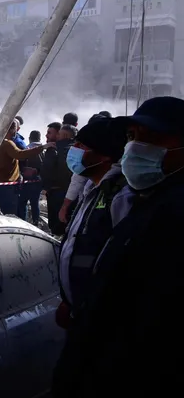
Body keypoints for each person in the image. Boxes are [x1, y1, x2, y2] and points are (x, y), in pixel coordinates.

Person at [52, 97, 184, 397]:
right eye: (133, 137)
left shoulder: (158, 208)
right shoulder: (144, 198)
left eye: (152, 138)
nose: (136, 147)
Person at [52, 119, 128, 331]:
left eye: (81, 147)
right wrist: (69, 300)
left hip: (100, 320)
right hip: (79, 308)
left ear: (104, 156)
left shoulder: (121, 197)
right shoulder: (92, 188)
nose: (72, 151)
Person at [0, 119, 50, 215]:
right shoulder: (8, 143)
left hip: (0, 181)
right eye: (15, 129)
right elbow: (20, 154)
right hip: (8, 184)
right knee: (10, 212)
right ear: (12, 130)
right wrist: (42, 147)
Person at [41, 123, 76, 235]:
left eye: (59, 134)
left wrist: (46, 187)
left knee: (56, 227)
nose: (57, 136)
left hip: (56, 193)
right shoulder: (78, 149)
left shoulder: (54, 149)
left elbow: (47, 170)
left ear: (65, 135)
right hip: (73, 193)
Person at [18, 129, 44, 223]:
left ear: (29, 138)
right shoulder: (44, 149)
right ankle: (35, 222)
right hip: (39, 180)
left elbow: (21, 163)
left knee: (22, 202)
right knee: (34, 203)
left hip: (27, 180)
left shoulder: (27, 149)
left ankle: (22, 222)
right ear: (40, 138)